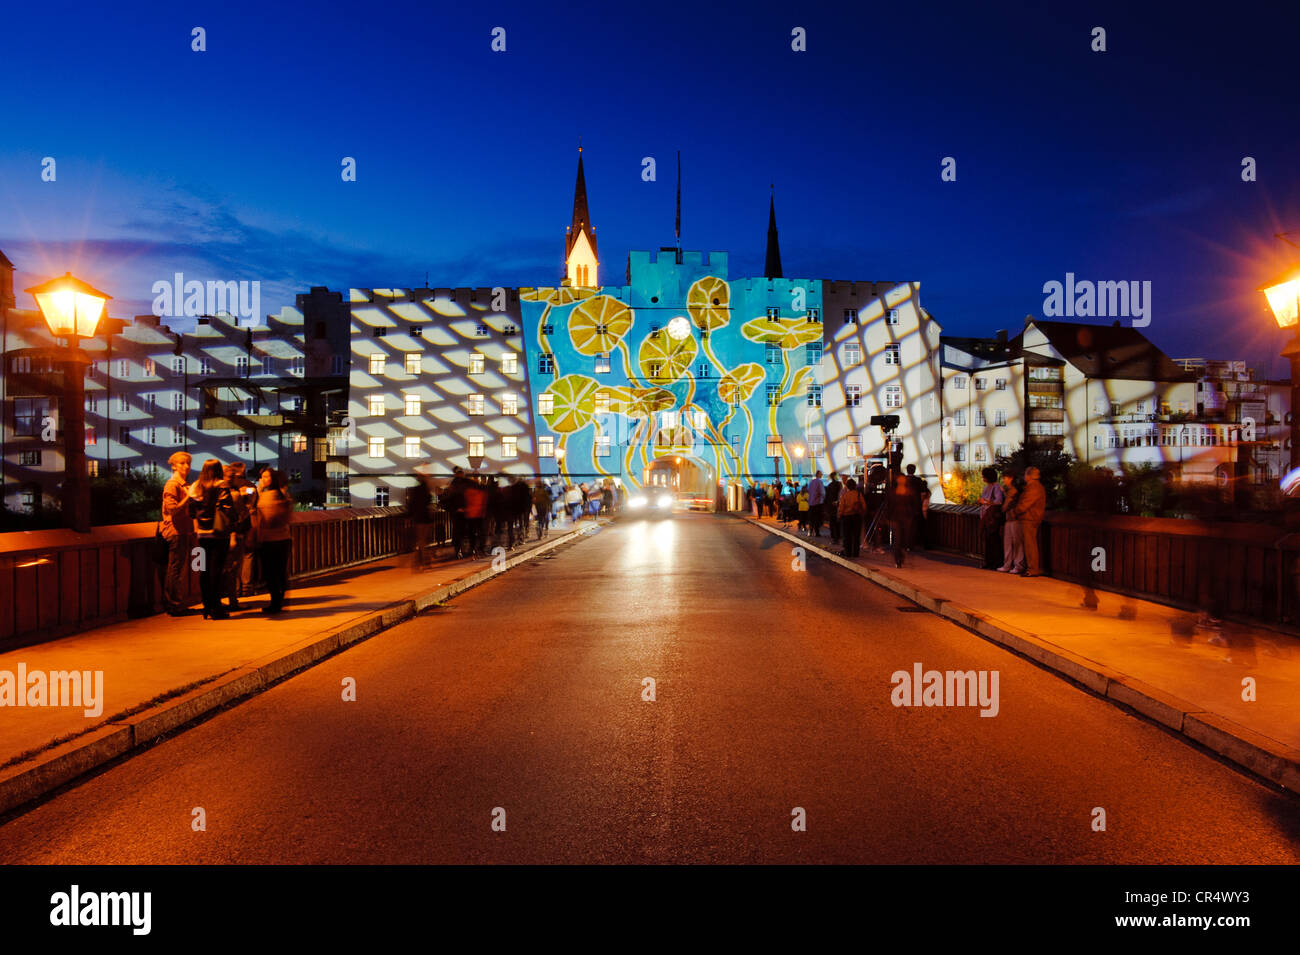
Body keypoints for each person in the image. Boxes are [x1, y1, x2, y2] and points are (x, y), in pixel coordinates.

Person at [187, 459, 237, 620]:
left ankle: (206, 605)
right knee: (216, 570)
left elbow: (191, 511)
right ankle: (216, 608)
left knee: (204, 570)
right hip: (219, 534)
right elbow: (228, 509)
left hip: (202, 535)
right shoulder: (221, 485)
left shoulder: (196, 486)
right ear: (218, 470)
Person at [253, 468, 294, 612]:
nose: (264, 480)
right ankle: (279, 601)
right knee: (281, 571)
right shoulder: (284, 495)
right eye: (262, 477)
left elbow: (262, 518)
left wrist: (258, 490)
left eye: (266, 477)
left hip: (268, 539)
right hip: (284, 537)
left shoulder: (265, 497)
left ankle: (275, 602)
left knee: (270, 573)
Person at [159, 451, 193, 615]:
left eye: (187, 463)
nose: (186, 466)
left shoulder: (183, 485)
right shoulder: (172, 485)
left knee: (178, 568)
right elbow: (172, 510)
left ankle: (176, 603)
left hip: (183, 531)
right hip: (176, 531)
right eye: (182, 463)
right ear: (173, 466)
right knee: (175, 569)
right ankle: (174, 604)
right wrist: (189, 497)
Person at [222, 462, 256, 609]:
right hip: (234, 534)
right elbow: (247, 505)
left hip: (212, 536)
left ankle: (220, 599)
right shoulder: (236, 492)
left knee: (207, 568)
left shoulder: (212, 490)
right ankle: (236, 596)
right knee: (234, 565)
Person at [1013, 466, 1047, 577]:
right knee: (1030, 544)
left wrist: (1015, 511)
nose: (1024, 477)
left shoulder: (1033, 488)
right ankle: (1032, 568)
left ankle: (1032, 569)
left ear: (1029, 476)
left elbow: (1025, 503)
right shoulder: (1035, 487)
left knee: (1030, 545)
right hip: (1031, 518)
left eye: (1025, 475)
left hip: (1029, 518)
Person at [885, 473, 916, 567]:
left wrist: (912, 515)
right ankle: (898, 559)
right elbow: (888, 505)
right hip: (896, 517)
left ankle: (901, 556)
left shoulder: (909, 491)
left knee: (905, 538)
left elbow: (914, 504)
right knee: (897, 539)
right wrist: (887, 517)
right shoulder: (893, 491)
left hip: (906, 517)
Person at [977, 466, 1005, 570]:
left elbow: (998, 501)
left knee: (993, 539)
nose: (982, 478)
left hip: (991, 516)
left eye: (984, 476)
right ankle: (989, 561)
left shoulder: (996, 487)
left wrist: (985, 502)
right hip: (986, 515)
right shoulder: (987, 487)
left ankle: (995, 562)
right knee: (988, 540)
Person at [407, 469, 436, 570]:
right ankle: (424, 562)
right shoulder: (427, 491)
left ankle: (418, 563)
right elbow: (429, 503)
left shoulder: (416, 490)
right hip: (426, 518)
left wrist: (409, 515)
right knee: (424, 541)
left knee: (420, 541)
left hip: (418, 518)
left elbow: (411, 504)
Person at [997, 472, 1023, 574]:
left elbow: (1007, 504)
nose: (1004, 480)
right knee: (1010, 542)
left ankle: (1016, 565)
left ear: (1011, 478)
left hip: (1013, 518)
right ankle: (1010, 564)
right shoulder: (1010, 490)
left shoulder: (1013, 490)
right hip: (1010, 518)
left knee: (1015, 543)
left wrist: (1003, 508)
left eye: (1005, 478)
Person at [837, 478, 867, 558]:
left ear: (847, 486)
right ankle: (856, 553)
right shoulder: (858, 494)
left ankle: (848, 553)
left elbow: (841, 508)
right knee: (856, 536)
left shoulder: (845, 496)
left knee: (847, 536)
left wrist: (839, 516)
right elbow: (864, 506)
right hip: (857, 517)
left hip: (846, 517)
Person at [807, 470, 825, 538]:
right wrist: (823, 498)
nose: (822, 475)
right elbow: (822, 492)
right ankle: (817, 532)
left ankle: (810, 531)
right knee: (817, 518)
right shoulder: (819, 481)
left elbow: (809, 490)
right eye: (821, 474)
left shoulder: (811, 481)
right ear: (818, 474)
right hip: (818, 503)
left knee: (812, 518)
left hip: (811, 503)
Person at [825, 471, 842, 544]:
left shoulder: (829, 485)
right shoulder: (839, 484)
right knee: (837, 522)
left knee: (832, 522)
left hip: (830, 506)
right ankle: (837, 536)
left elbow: (827, 496)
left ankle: (833, 536)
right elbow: (840, 494)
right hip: (837, 505)